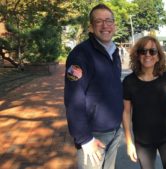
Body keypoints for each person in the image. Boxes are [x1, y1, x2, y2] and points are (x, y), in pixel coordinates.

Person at [64, 3, 123, 169]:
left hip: (114, 132)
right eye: (98, 21)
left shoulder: (114, 52)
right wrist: (84, 139)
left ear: (114, 25)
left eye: (109, 21)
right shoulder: (80, 55)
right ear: (91, 27)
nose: (105, 25)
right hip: (93, 136)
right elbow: (73, 100)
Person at [122, 36, 166, 169]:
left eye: (152, 51)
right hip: (143, 141)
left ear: (158, 56)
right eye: (143, 51)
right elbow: (126, 112)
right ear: (137, 55)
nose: (148, 55)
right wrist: (129, 142)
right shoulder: (129, 82)